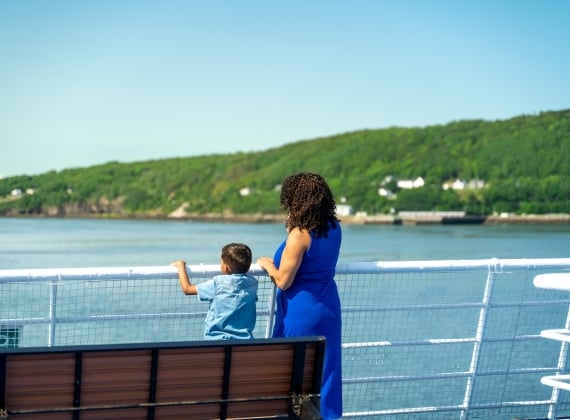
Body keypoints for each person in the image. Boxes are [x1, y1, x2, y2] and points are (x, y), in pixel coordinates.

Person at [256, 172, 343, 420]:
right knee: (325, 370)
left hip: (300, 310)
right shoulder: (334, 228)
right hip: (327, 306)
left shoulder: (300, 234)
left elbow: (283, 280)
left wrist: (267, 265)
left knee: (289, 370)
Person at [171, 242, 258, 340]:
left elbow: (187, 289)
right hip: (245, 345)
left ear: (225, 267)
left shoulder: (218, 283)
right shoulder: (253, 284)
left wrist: (180, 266)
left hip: (216, 342)